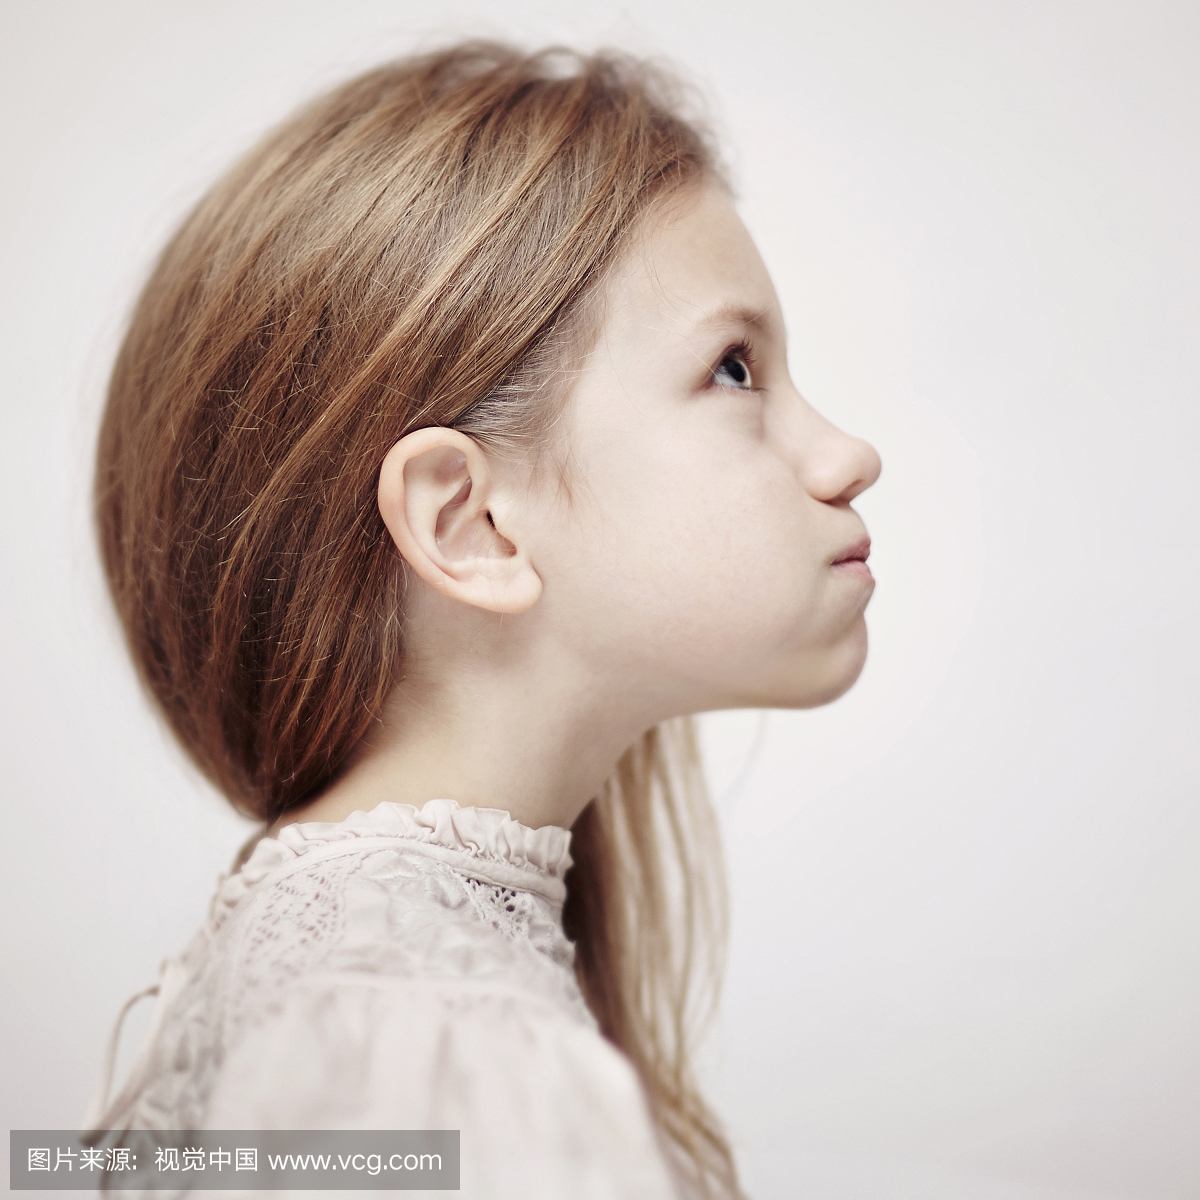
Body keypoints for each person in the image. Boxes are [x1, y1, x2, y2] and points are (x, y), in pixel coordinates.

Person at [88, 40, 881, 1200]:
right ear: (471, 525)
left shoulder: (346, 989)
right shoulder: (424, 1043)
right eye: (732, 369)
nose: (849, 454)